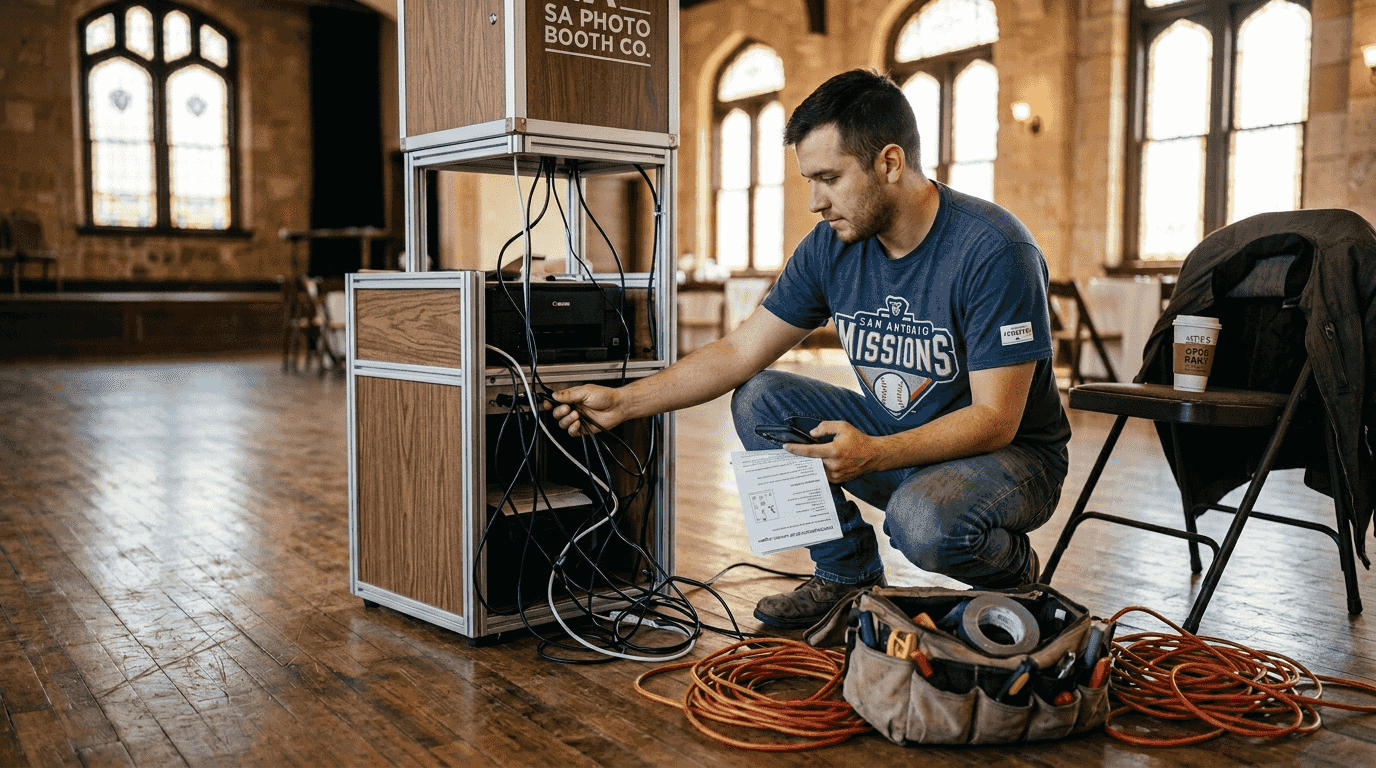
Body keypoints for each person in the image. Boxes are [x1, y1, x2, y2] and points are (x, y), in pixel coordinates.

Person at [550, 69, 1070, 630]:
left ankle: (1015, 577)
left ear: (890, 163)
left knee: (920, 521)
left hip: (1012, 458)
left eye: (829, 177)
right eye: (808, 179)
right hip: (900, 437)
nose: (814, 202)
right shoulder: (830, 247)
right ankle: (845, 575)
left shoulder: (993, 248)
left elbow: (996, 420)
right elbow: (738, 353)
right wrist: (626, 402)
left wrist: (874, 452)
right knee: (760, 399)